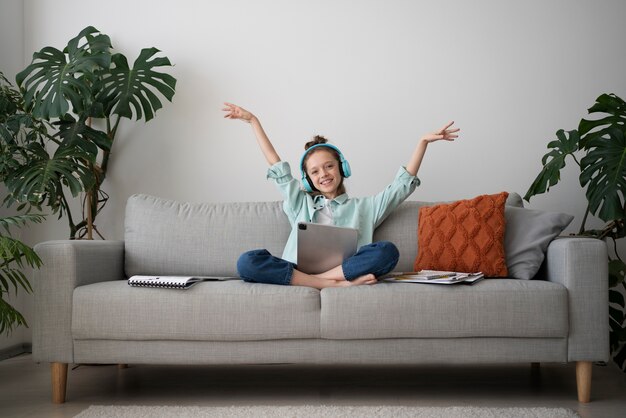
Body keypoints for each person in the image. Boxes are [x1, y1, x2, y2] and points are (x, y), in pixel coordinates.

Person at [223, 102, 459, 289]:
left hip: (340, 270)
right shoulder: (299, 202)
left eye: (329, 166)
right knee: (248, 261)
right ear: (307, 179)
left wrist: (422, 143)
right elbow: (277, 165)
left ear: (341, 168)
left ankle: (322, 280)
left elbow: (400, 187)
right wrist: (253, 121)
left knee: (387, 251)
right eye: (314, 171)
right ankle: (330, 285)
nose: (323, 174)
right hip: (299, 269)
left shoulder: (365, 208)